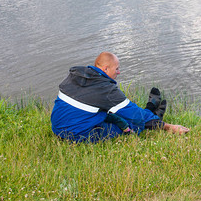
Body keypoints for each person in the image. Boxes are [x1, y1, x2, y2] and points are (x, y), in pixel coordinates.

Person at [51, 52, 189, 142]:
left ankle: (152, 113)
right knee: (130, 124)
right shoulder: (105, 89)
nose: (119, 72)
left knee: (117, 114)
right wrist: (169, 127)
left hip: (57, 128)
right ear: (105, 69)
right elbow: (134, 115)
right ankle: (152, 112)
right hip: (76, 135)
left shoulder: (75, 77)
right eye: (116, 68)